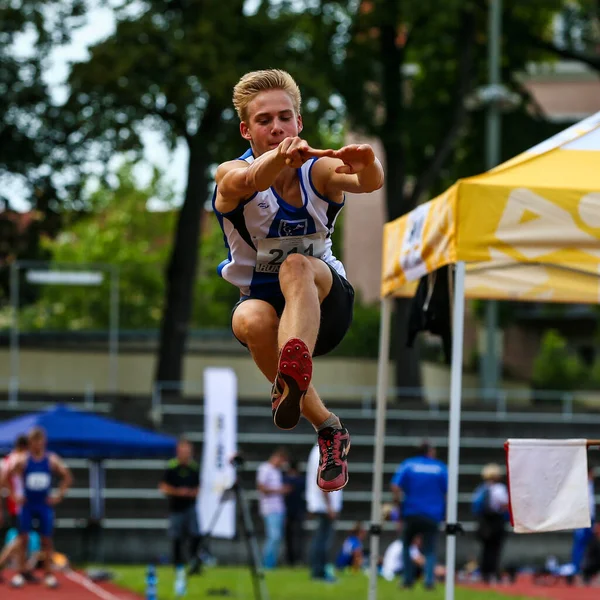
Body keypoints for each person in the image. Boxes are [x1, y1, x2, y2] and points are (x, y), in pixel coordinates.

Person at [213, 69, 384, 492]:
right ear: (246, 130)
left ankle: (294, 363)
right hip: (266, 304)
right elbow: (250, 181)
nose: (277, 129)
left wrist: (369, 164)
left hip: (325, 302)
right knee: (249, 318)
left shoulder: (319, 171)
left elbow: (366, 183)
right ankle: (328, 427)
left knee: (295, 266)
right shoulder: (230, 173)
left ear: (299, 123)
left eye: (285, 118)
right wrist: (279, 160)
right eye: (265, 121)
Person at [7, 427, 72, 589]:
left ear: (44, 442)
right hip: (28, 504)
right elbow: (7, 475)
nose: (36, 445)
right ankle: (21, 572)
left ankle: (48, 574)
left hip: (43, 504)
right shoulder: (23, 460)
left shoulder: (51, 460)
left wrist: (59, 495)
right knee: (23, 539)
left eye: (39, 441)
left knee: (47, 539)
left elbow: (67, 476)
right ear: (30, 443)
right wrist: (14, 495)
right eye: (33, 441)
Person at [391, 440, 448, 590]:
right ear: (430, 451)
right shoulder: (439, 467)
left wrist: (398, 506)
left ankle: (407, 580)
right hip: (432, 514)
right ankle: (429, 581)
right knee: (430, 549)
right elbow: (447, 491)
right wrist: (445, 512)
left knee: (406, 545)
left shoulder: (408, 465)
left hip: (411, 512)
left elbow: (395, 486)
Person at [159, 438, 202, 575]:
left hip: (190, 506)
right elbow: (163, 487)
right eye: (183, 451)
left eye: (188, 451)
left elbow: (199, 487)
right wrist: (178, 492)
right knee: (176, 536)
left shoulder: (194, 467)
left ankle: (194, 562)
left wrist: (191, 493)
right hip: (176, 508)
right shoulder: (172, 466)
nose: (185, 454)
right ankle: (177, 563)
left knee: (195, 534)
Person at [306, 443, 342, 582]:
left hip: (321, 503)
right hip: (325, 505)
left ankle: (318, 570)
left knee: (320, 538)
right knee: (323, 540)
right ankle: (320, 571)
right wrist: (329, 506)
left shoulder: (317, 451)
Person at [471, 463, 509, 584]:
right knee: (495, 549)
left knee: (485, 549)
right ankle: (493, 572)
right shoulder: (499, 488)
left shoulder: (481, 488)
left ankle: (484, 573)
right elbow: (504, 503)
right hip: (496, 521)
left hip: (483, 522)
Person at [0, 435, 29, 582]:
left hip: (17, 503)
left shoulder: (9, 459)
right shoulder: (16, 459)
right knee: (21, 537)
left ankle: (23, 569)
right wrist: (13, 496)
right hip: (18, 504)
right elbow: (3, 480)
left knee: (24, 537)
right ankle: (2, 563)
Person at [256, 447, 288, 569]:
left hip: (279, 508)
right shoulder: (265, 469)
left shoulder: (277, 471)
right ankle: (266, 564)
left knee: (277, 537)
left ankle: (271, 563)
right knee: (273, 536)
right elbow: (262, 488)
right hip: (269, 508)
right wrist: (280, 490)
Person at [571, 464, 595, 575]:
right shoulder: (581, 485)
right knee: (579, 544)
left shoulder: (590, 485)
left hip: (590, 518)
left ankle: (586, 570)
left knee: (589, 545)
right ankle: (576, 570)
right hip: (581, 518)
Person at [283, 458, 305, 566]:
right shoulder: (301, 480)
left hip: (290, 511)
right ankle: (296, 559)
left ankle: (291, 559)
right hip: (296, 511)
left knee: (291, 537)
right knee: (296, 537)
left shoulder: (286, 480)